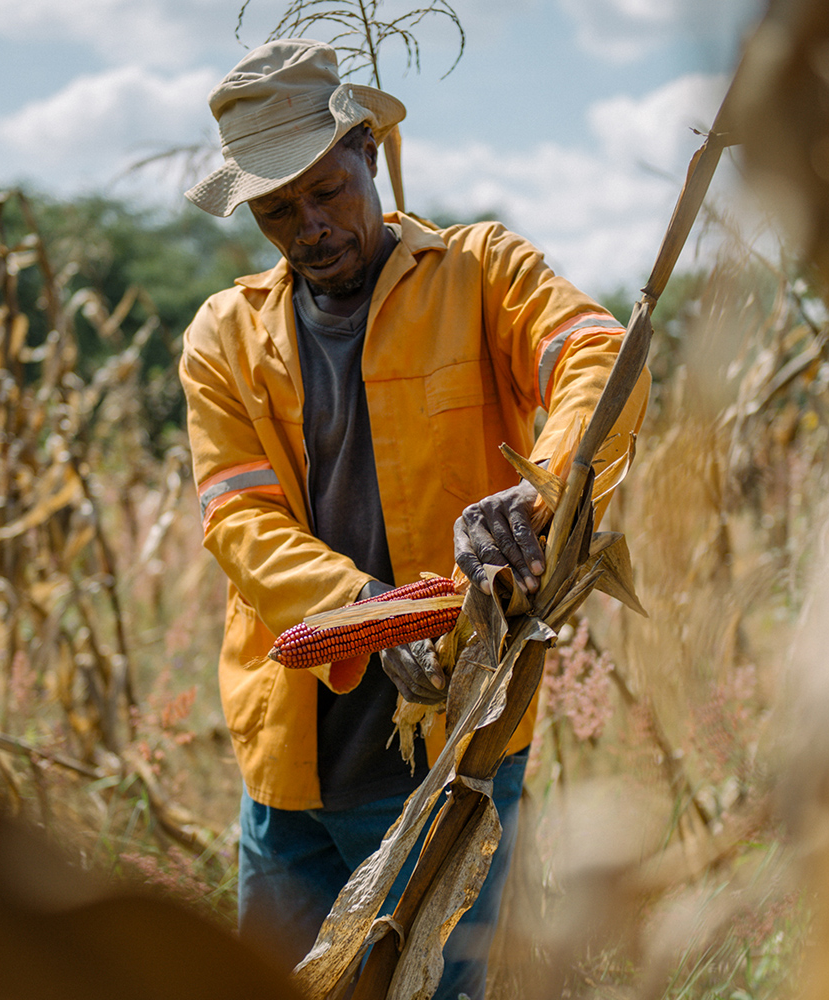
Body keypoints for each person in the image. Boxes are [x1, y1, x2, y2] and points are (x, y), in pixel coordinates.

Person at [179, 38, 650, 1000]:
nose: (310, 227)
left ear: (368, 152)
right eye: (279, 210)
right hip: (293, 764)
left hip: (460, 738)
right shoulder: (223, 336)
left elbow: (600, 354)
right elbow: (238, 520)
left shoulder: (482, 272)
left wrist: (542, 486)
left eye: (327, 191)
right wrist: (364, 609)